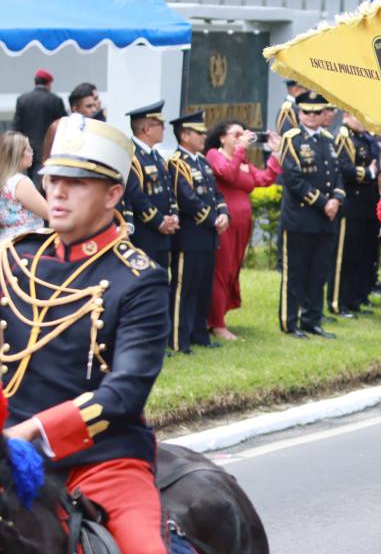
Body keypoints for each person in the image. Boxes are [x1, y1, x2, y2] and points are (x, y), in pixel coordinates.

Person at [2, 113, 168, 554]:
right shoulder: (15, 259)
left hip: (100, 461)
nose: (56, 191)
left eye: (75, 183)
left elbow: (126, 391)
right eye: (52, 179)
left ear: (114, 194)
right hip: (6, 454)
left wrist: (32, 431)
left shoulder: (138, 279)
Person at [204, 120, 282, 341]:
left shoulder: (242, 160)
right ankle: (217, 324)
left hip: (243, 224)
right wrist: (240, 150)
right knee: (222, 268)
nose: (241, 138)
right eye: (236, 134)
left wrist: (275, 154)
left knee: (233, 268)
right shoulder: (214, 154)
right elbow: (226, 174)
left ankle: (218, 316)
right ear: (222, 137)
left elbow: (264, 179)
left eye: (244, 134)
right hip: (224, 223)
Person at [278, 91, 345, 339]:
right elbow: (293, 178)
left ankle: (312, 320)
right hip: (301, 217)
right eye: (307, 112)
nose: (313, 116)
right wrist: (323, 202)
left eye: (318, 112)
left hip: (326, 218)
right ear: (299, 113)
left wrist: (337, 198)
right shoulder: (291, 138)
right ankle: (289, 321)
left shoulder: (328, 139)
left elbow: (337, 174)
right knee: (295, 272)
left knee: (319, 272)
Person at [166, 111, 229, 354]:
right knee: (184, 288)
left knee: (203, 287)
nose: (204, 136)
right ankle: (179, 339)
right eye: (198, 133)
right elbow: (187, 199)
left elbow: (217, 194)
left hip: (208, 236)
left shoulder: (202, 161)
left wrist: (223, 214)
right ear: (184, 135)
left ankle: (199, 334)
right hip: (190, 236)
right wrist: (213, 220)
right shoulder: (177, 163)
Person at [330, 112, 376, 319]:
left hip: (364, 204)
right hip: (350, 203)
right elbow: (344, 169)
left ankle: (354, 299)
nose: (364, 121)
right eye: (360, 116)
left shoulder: (360, 137)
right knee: (344, 258)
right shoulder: (343, 136)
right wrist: (369, 173)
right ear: (348, 115)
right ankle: (337, 302)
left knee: (360, 256)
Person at [125, 100, 179, 268]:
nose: (163, 128)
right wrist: (159, 221)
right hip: (145, 234)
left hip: (163, 235)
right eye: (160, 124)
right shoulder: (132, 155)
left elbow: (169, 190)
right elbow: (136, 195)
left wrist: (173, 216)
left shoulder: (156, 156)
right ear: (147, 129)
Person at [12, 69, 67, 184]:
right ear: (49, 84)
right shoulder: (55, 100)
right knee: (45, 178)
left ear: (35, 83)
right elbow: (63, 125)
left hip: (27, 147)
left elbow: (17, 127)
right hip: (49, 147)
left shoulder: (22, 99)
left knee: (30, 176)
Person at [0, 131, 48, 241]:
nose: (32, 153)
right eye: (28, 149)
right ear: (17, 154)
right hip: (26, 243)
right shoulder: (20, 182)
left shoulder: (4, 181)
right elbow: (48, 213)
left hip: (4, 244)